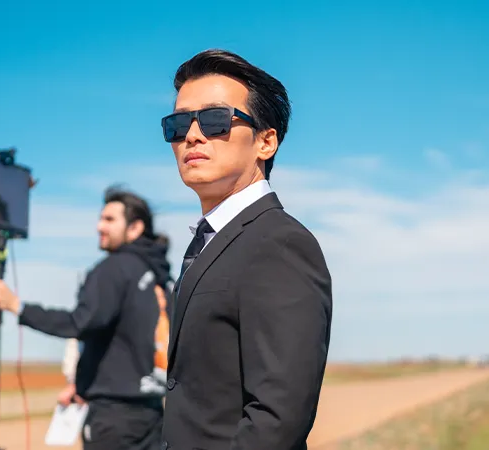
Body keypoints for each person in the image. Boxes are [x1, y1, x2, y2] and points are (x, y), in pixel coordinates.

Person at [159, 49, 333, 450]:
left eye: (216, 119)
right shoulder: (212, 241)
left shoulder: (279, 243)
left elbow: (277, 420)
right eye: (178, 124)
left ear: (265, 142)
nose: (192, 135)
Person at [0, 186, 174, 450]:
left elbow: (80, 323)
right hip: (153, 413)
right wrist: (82, 385)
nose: (99, 226)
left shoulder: (114, 268)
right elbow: (123, 342)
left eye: (109, 219)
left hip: (114, 420)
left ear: (134, 228)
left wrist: (17, 306)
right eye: (100, 218)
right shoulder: (161, 278)